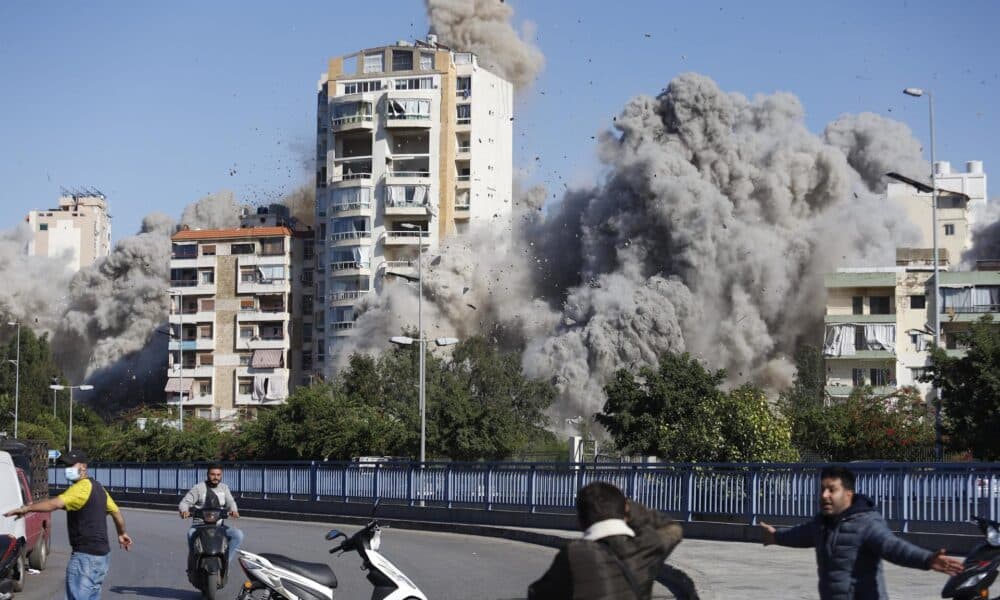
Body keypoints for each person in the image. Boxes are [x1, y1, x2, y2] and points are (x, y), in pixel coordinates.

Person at [759, 465, 964, 600]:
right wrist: (775, 536)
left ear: (848, 493)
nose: (824, 495)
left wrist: (927, 559)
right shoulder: (821, 524)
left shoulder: (867, 523)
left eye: (831, 490)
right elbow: (799, 534)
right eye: (822, 489)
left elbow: (892, 546)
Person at [4, 449, 133, 600]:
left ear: (83, 467)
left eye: (71, 466)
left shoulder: (80, 488)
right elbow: (116, 512)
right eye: (66, 466)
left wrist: (26, 508)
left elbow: (55, 503)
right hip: (102, 557)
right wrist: (122, 533)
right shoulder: (98, 488)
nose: (67, 470)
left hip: (85, 557)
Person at [528, 481, 683, 600]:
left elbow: (538, 594)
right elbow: (672, 528)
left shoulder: (574, 553)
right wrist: (630, 507)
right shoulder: (646, 546)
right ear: (625, 514)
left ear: (580, 521)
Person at [178, 464, 243, 567]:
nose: (215, 477)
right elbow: (185, 502)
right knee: (191, 534)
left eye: (218, 475)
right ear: (208, 475)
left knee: (238, 535)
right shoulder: (199, 488)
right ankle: (193, 562)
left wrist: (234, 510)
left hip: (219, 527)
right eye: (213, 474)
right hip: (199, 526)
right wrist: (184, 511)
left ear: (221, 476)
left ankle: (225, 562)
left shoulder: (224, 488)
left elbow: (230, 502)